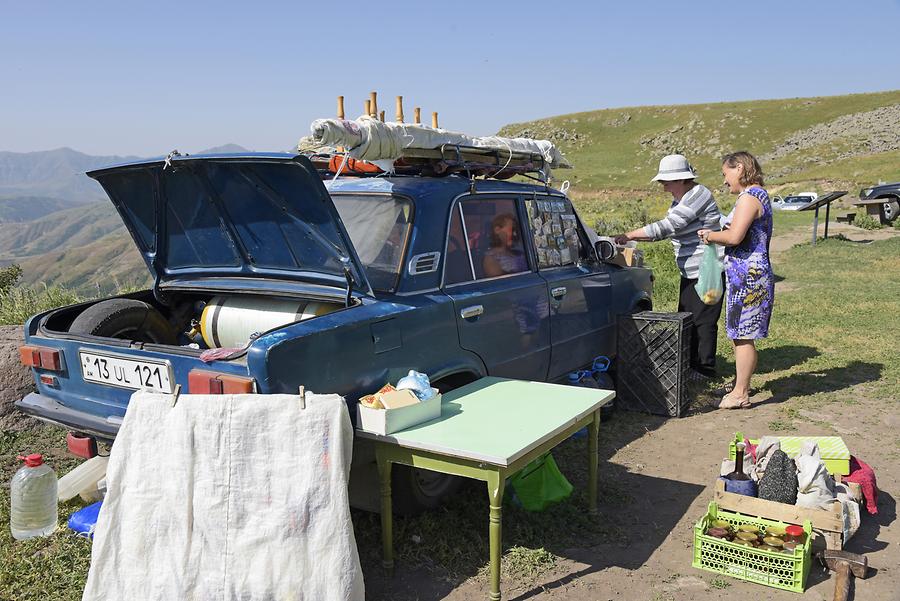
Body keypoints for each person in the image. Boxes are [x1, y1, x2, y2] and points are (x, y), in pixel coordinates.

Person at [615, 154, 724, 380]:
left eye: (667, 182)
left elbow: (668, 226)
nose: (664, 187)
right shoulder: (681, 198)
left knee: (703, 320)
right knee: (688, 316)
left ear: (682, 179)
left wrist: (628, 236)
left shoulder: (697, 195)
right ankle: (691, 364)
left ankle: (704, 369)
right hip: (693, 269)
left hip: (707, 268)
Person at [698, 151, 774, 409]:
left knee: (743, 335)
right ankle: (741, 385)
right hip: (747, 276)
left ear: (739, 168)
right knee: (741, 335)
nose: (724, 180)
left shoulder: (750, 198)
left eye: (725, 174)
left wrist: (710, 236)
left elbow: (734, 237)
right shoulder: (755, 196)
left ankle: (740, 393)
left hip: (748, 278)